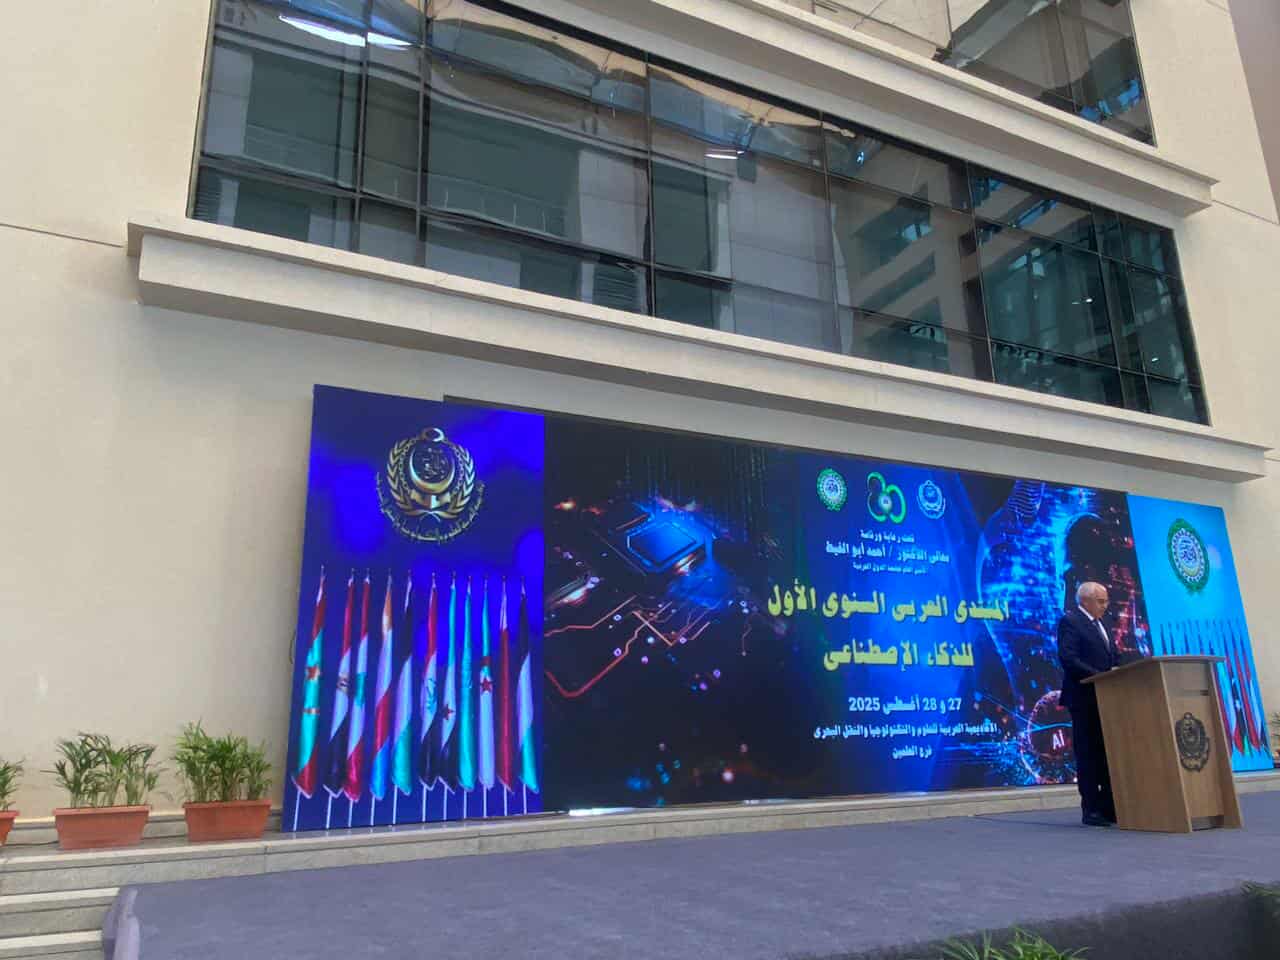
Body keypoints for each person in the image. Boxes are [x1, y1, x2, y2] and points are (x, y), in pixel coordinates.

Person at [1057, 581, 1119, 827]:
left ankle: (1109, 807)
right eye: (1101, 601)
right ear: (1085, 601)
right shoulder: (1071, 621)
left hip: (1107, 698)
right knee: (1088, 754)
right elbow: (1069, 658)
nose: (1106, 606)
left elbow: (1112, 656)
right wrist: (1100, 677)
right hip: (1084, 698)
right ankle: (1091, 809)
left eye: (1106, 601)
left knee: (1106, 754)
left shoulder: (1103, 623)